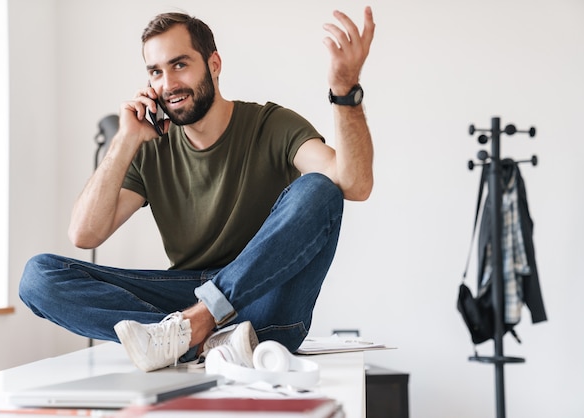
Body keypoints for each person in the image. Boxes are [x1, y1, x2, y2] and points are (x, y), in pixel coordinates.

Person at [19, 7, 375, 372]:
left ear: (214, 64)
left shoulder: (271, 124)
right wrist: (126, 139)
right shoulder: (151, 148)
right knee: (38, 277)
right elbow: (84, 233)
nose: (168, 83)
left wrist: (344, 90)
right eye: (156, 72)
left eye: (179, 65)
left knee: (319, 187)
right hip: (184, 298)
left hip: (263, 304)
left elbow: (353, 184)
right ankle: (189, 338)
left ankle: (196, 326)